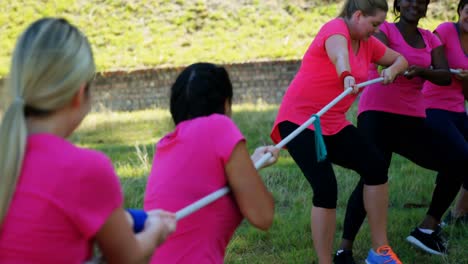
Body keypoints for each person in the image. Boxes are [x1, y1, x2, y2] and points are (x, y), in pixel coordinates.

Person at [0, 18, 176, 263]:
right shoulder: (84, 169)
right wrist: (156, 230)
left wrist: (125, 218)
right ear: (80, 93)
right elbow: (127, 257)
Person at [270, 0, 408, 263]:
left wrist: (392, 69)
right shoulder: (335, 28)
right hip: (299, 122)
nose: (377, 30)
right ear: (357, 15)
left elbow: (401, 59)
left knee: (376, 166)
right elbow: (338, 54)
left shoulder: (368, 44)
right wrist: (345, 74)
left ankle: (380, 251)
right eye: (374, 23)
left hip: (332, 122)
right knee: (326, 187)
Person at [335, 0, 468, 262]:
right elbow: (378, 53)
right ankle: (344, 249)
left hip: (413, 118)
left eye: (421, 1)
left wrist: (421, 71)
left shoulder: (430, 39)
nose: (414, 5)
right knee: (372, 177)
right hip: (378, 114)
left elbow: (443, 75)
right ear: (398, 3)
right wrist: (395, 65)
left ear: (426, 6)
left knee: (459, 160)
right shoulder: (384, 30)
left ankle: (427, 227)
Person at [143, 62, 280, 263]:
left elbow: (206, 187)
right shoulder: (219, 126)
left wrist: (250, 163)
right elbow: (263, 215)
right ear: (225, 103)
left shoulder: (166, 144)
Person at [422, 0, 468, 227]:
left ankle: (458, 214)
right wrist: (449, 72)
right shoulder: (445, 31)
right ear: (461, 10)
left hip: (458, 109)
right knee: (462, 157)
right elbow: (427, 61)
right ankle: (430, 224)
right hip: (433, 105)